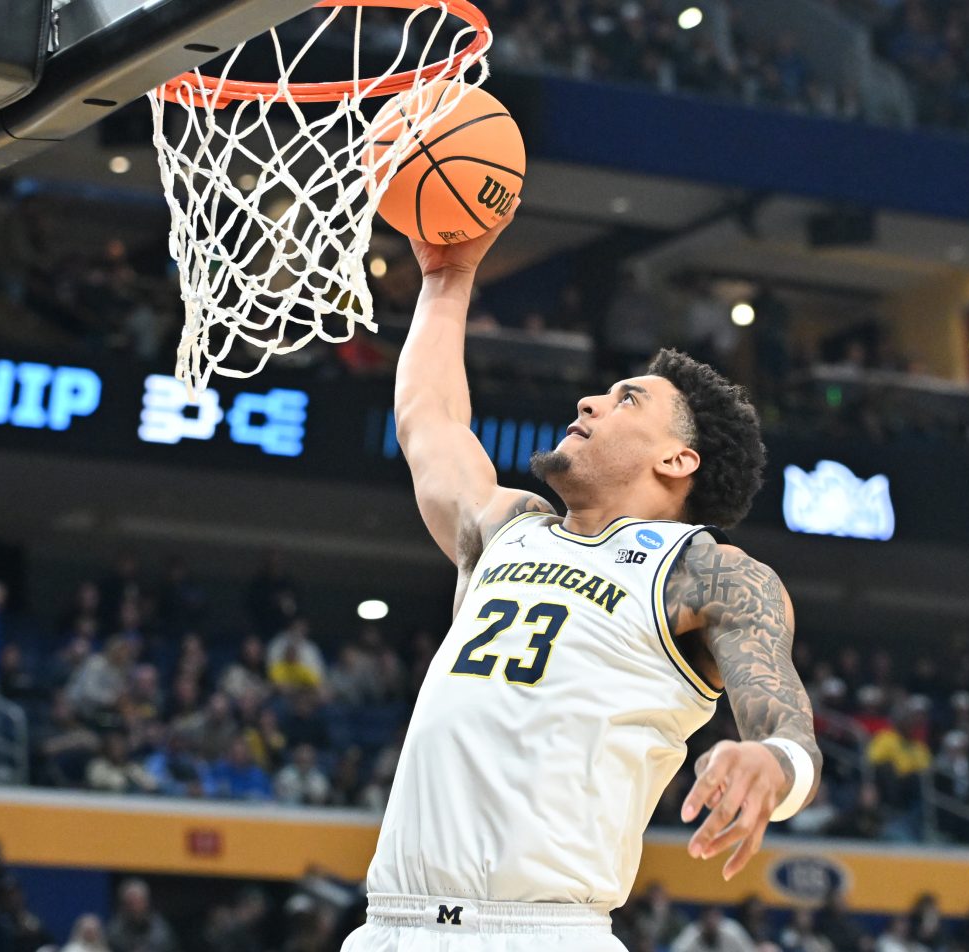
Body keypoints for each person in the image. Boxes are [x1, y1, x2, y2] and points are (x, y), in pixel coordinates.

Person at [343, 211, 820, 952]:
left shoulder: (708, 571)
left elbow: (785, 725)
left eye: (629, 399)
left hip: (543, 934)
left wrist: (773, 764)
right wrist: (447, 276)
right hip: (389, 929)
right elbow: (427, 419)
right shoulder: (506, 526)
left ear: (678, 462)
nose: (589, 402)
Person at [106, 879, 176, 952]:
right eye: (130, 903)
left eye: (138, 902)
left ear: (146, 903)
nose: (134, 908)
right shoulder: (114, 931)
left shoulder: (161, 930)